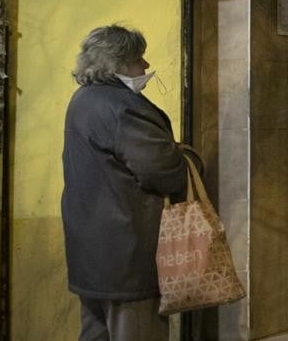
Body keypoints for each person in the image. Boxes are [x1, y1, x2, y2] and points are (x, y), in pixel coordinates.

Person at [61, 25, 191, 341]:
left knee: (95, 332)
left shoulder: (83, 99)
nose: (146, 66)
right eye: (138, 59)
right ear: (117, 63)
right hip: (127, 254)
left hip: (90, 252)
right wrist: (187, 158)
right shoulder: (122, 108)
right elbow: (163, 170)